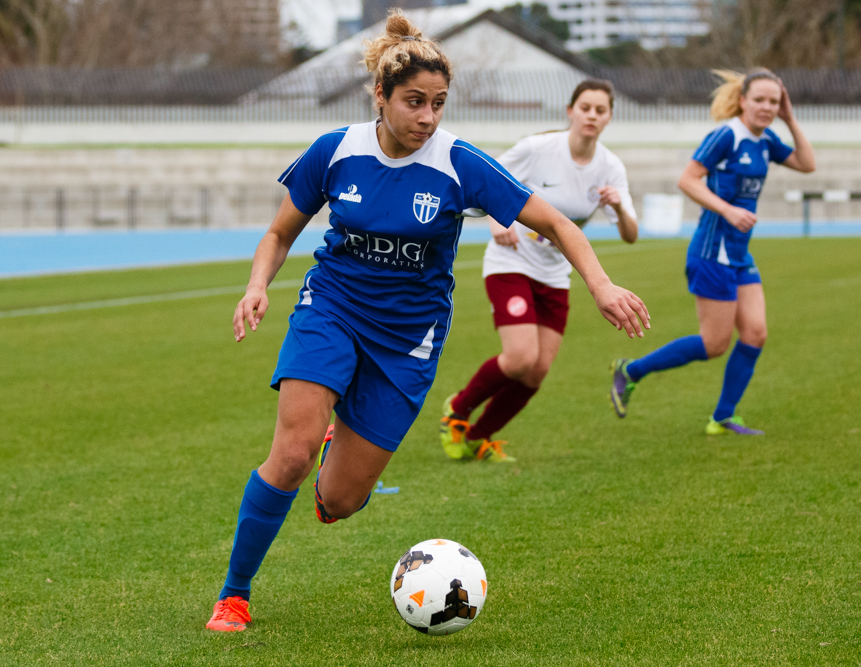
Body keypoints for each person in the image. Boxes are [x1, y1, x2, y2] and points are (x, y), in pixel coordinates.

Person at [205, 11, 650, 632]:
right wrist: (257, 286)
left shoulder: (459, 163)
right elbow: (280, 233)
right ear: (380, 96)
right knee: (292, 453)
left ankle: (340, 452)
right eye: (414, 102)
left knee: (339, 502)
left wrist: (601, 284)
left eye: (438, 103)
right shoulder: (336, 151)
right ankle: (234, 595)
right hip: (331, 310)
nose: (428, 117)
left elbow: (556, 222)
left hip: (407, 342)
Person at [439, 80, 639, 462]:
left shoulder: (610, 167)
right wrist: (497, 223)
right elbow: (486, 182)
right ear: (570, 111)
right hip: (511, 263)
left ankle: (478, 437)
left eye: (600, 110)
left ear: (609, 117)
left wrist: (619, 207)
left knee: (536, 371)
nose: (592, 116)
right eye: (585, 107)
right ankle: (457, 411)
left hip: (555, 275)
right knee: (520, 358)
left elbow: (630, 235)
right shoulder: (537, 149)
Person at [609, 68, 815, 435]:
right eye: (760, 100)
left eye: (774, 101)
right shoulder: (726, 136)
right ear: (743, 101)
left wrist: (790, 119)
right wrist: (728, 210)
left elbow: (807, 164)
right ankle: (631, 370)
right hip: (711, 252)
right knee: (714, 344)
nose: (767, 107)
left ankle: (722, 417)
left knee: (755, 334)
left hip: (739, 254)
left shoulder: (766, 140)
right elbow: (687, 179)